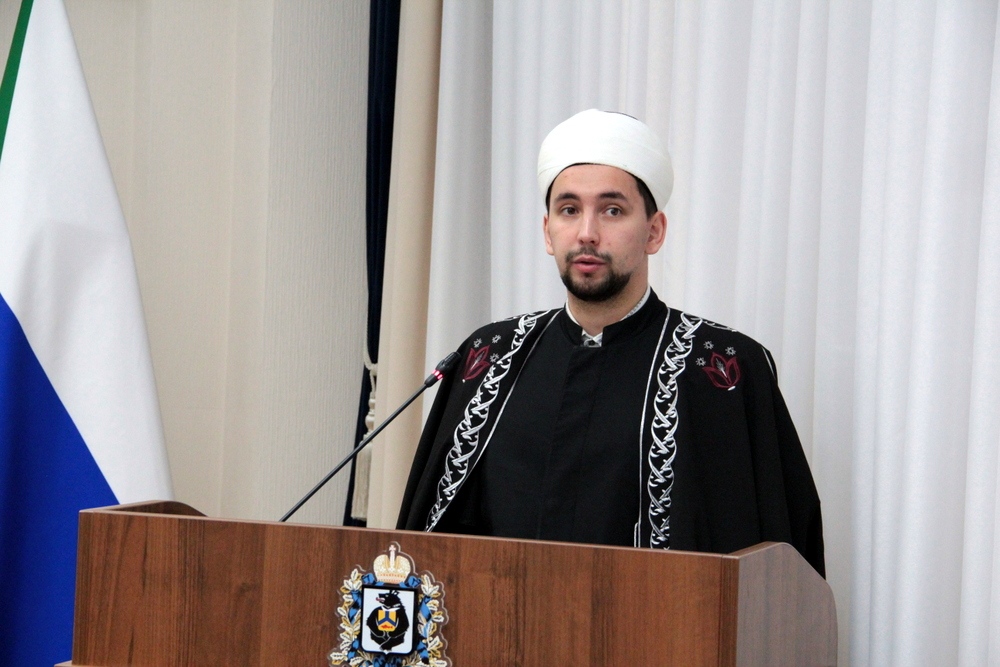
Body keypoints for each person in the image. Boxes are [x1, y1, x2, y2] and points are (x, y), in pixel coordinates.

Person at [397, 109, 824, 576]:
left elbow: (777, 571)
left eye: (612, 210)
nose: (587, 233)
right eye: (569, 210)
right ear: (547, 232)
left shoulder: (722, 368)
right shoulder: (492, 357)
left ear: (654, 232)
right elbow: (425, 554)